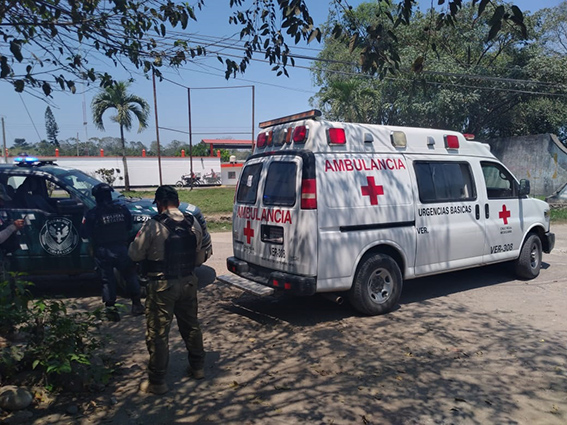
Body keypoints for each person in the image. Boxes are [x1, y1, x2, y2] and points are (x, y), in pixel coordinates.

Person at [128, 185, 205, 395]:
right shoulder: (193, 222)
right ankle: (198, 368)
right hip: (188, 282)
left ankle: (157, 381)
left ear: (160, 204)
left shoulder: (152, 225)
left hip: (162, 286)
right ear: (177, 202)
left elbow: (134, 254)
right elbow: (200, 256)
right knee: (191, 326)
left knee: (158, 333)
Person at [81, 183, 144, 322]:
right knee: (130, 275)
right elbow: (129, 227)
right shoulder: (122, 209)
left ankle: (111, 311)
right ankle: (137, 304)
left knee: (107, 280)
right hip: (121, 248)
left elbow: (85, 233)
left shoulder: (93, 214)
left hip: (103, 251)